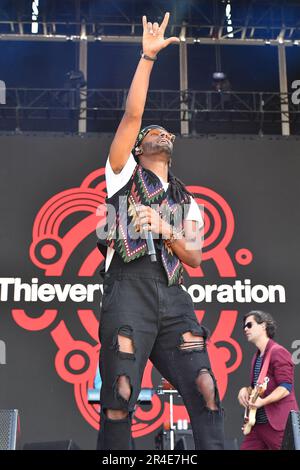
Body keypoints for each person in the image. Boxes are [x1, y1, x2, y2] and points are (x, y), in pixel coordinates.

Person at [96, 12, 224, 451]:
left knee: (206, 388)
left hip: (172, 296)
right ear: (138, 147)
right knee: (120, 397)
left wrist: (165, 226)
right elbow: (133, 114)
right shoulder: (121, 175)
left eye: (167, 132)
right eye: (154, 131)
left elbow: (194, 257)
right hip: (126, 289)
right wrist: (147, 58)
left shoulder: (190, 202)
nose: (161, 132)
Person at [238, 310, 299, 450]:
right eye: (244, 327)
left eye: (249, 325)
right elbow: (258, 389)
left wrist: (263, 402)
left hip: (277, 424)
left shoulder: (279, 352)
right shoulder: (257, 356)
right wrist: (245, 390)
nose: (245, 329)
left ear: (263, 326)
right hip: (256, 425)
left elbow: (285, 387)